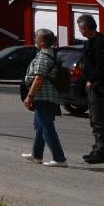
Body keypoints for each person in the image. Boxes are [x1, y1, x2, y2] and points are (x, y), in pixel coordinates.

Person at [21, 28, 67, 166]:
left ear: (42, 42)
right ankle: (37, 155)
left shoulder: (43, 56)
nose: (34, 38)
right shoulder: (50, 54)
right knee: (40, 126)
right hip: (47, 96)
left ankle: (60, 159)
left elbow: (38, 78)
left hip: (45, 96)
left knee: (47, 127)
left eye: (36, 36)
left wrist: (29, 96)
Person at [76, 14, 104, 164]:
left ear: (86, 27)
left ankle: (101, 152)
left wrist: (92, 79)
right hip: (91, 85)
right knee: (93, 119)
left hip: (100, 86)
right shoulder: (89, 43)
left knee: (99, 120)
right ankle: (96, 149)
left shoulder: (101, 42)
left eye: (80, 28)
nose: (79, 31)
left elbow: (102, 66)